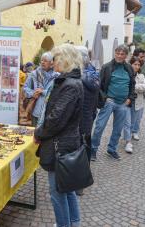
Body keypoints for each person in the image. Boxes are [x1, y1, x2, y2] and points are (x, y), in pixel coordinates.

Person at [34, 43, 84, 227]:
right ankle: (74, 223)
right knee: (67, 188)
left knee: (57, 192)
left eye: (56, 58)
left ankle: (65, 224)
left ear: (65, 60)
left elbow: (56, 119)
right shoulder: (69, 81)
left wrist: (39, 133)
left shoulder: (70, 84)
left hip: (60, 144)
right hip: (64, 142)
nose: (53, 62)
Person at [91, 45, 135, 161]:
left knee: (118, 129)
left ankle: (112, 149)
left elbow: (132, 85)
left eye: (122, 54)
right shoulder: (106, 67)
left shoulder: (129, 68)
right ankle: (93, 150)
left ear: (126, 55)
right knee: (99, 127)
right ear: (115, 53)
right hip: (109, 102)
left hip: (123, 104)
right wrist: (105, 98)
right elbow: (99, 86)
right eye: (118, 53)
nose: (120, 56)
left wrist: (130, 98)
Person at [23, 52, 59, 126]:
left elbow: (58, 92)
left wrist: (43, 92)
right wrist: (33, 93)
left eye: (45, 61)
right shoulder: (34, 74)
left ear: (51, 63)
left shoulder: (57, 76)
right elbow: (25, 88)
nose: (42, 62)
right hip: (36, 111)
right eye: (41, 60)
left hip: (50, 113)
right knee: (35, 133)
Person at [122, 57, 145, 154]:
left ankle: (129, 135)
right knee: (127, 123)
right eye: (135, 64)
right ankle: (128, 142)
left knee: (133, 122)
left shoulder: (141, 76)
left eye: (138, 65)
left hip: (137, 102)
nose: (137, 66)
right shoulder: (126, 74)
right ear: (131, 64)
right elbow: (124, 86)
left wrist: (133, 86)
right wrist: (136, 86)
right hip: (127, 102)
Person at [131, 48, 145, 141]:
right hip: (130, 96)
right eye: (141, 57)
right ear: (135, 56)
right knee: (130, 116)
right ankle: (128, 132)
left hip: (141, 95)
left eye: (144, 57)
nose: (143, 58)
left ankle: (135, 131)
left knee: (138, 115)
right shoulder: (129, 65)